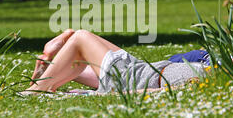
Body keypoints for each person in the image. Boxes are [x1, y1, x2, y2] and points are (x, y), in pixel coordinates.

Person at [19, 30, 208, 96]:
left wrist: (95, 95)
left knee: (80, 38)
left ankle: (34, 92)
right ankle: (53, 70)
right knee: (82, 43)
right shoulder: (221, 69)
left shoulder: (219, 79)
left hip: (136, 78)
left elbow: (161, 93)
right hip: (141, 70)